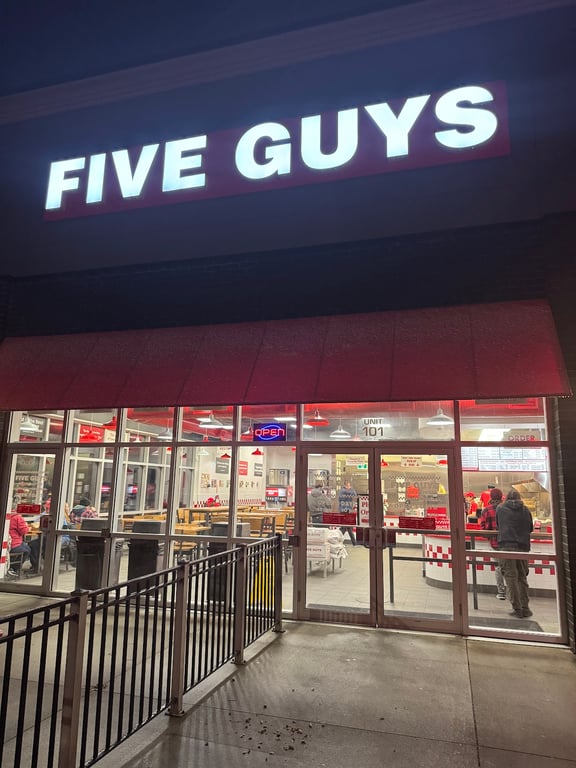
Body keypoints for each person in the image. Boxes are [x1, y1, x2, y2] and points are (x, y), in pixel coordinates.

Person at [497, 489, 534, 618]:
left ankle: (516, 608)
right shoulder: (526, 510)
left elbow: (499, 526)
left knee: (511, 577)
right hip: (523, 547)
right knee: (522, 577)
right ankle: (525, 607)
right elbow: (530, 528)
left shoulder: (500, 509)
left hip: (507, 546)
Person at [479, 487, 506, 599]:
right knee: (509, 567)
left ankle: (501, 592)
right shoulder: (506, 509)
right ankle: (513, 591)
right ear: (501, 497)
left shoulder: (486, 510)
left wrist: (490, 535)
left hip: (495, 544)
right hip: (508, 543)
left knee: (499, 567)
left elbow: (483, 530)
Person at [7, 508, 32, 575]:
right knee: (27, 550)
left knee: (26, 546)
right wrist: (27, 527)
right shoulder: (17, 517)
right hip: (14, 543)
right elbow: (23, 531)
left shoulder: (7, 516)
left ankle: (12, 565)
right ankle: (14, 568)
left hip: (10, 541)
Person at [337, 481, 357, 546]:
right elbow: (350, 493)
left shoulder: (345, 491)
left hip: (348, 511)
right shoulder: (342, 491)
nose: (349, 487)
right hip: (344, 511)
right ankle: (353, 542)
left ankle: (353, 542)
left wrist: (351, 489)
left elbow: (355, 495)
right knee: (346, 527)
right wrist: (350, 489)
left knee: (347, 527)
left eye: (349, 486)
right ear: (345, 485)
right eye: (348, 485)